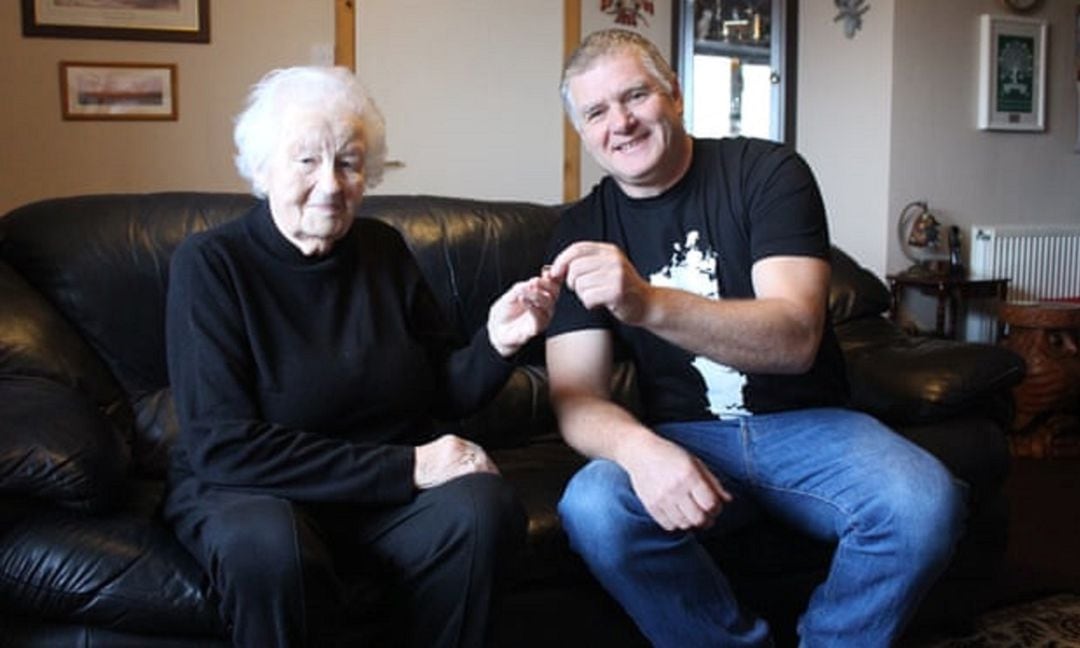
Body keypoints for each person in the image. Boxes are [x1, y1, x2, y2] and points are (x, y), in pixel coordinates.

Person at [544, 29, 966, 647]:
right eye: (597, 112)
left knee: (925, 504)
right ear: (583, 132)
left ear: (676, 95)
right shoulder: (580, 230)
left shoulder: (766, 173)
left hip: (809, 423)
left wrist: (646, 302)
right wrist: (639, 451)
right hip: (683, 436)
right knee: (594, 507)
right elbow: (574, 394)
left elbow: (794, 338)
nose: (622, 123)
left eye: (635, 96)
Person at [163, 66, 559, 648]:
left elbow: (444, 391)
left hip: (379, 497)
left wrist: (498, 340)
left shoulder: (382, 249)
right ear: (262, 168)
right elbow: (224, 447)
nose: (330, 184)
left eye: (348, 162)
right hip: (259, 491)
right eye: (307, 161)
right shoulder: (210, 264)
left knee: (482, 507)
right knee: (269, 552)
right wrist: (410, 468)